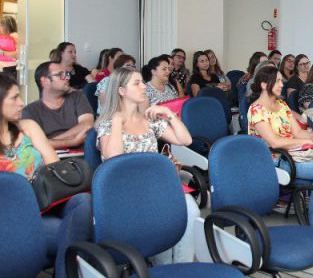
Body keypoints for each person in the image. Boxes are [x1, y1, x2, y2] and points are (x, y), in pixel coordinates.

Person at [96, 67, 197, 265]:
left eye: (142, 82)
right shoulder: (108, 123)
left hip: (154, 185)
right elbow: (113, 160)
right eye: (137, 83)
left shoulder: (148, 121)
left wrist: (168, 114)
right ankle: (163, 267)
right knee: (161, 219)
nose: (144, 87)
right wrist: (117, 121)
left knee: (191, 210)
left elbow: (185, 139)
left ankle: (182, 267)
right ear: (122, 91)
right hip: (125, 189)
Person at [0, 75, 92, 278]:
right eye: (14, 98)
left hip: (46, 200)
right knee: (67, 231)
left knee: (84, 201)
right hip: (11, 213)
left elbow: (54, 167)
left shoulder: (28, 127)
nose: (21, 103)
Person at [248, 66, 313, 238]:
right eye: (276, 81)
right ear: (262, 85)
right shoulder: (257, 110)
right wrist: (305, 141)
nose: (281, 84)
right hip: (275, 159)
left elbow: (298, 132)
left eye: (280, 80)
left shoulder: (281, 105)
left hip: (295, 154)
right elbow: (274, 142)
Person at [22, 61, 94, 149]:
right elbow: (33, 144)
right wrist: (72, 142)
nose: (67, 77)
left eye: (67, 74)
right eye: (60, 74)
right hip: (49, 159)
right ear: (45, 81)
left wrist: (49, 142)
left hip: (81, 156)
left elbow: (87, 125)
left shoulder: (77, 96)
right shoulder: (30, 111)